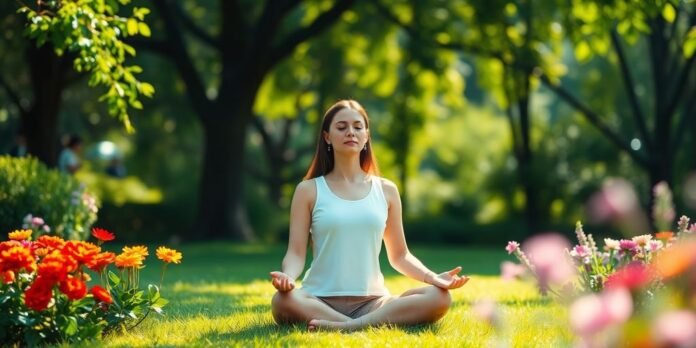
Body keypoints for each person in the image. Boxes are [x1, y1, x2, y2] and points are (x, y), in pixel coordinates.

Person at [270, 100, 469, 331]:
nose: (350, 132)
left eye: (357, 127)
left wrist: (432, 277)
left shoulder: (387, 190)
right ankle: (358, 326)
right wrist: (287, 278)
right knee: (282, 301)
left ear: (366, 136)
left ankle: (349, 326)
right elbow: (295, 253)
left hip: (373, 302)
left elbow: (400, 255)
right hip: (317, 300)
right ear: (327, 137)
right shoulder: (308, 190)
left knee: (440, 298)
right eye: (341, 127)